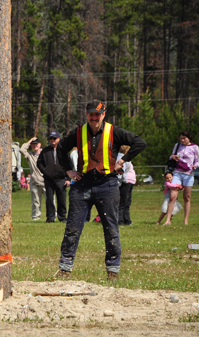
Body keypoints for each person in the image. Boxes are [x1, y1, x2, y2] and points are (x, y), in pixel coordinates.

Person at [55, 101, 146, 281]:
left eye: (97, 114)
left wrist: (124, 160)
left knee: (111, 228)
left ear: (103, 114)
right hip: (82, 184)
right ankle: (65, 269)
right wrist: (68, 170)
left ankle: (113, 271)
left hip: (107, 184)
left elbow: (139, 143)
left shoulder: (114, 132)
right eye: (91, 114)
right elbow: (60, 148)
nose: (94, 118)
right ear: (87, 115)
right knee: (72, 227)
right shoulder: (79, 132)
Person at [163, 131, 199, 226]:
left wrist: (195, 166)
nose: (182, 140)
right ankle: (168, 220)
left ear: (189, 138)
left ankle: (185, 220)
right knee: (172, 196)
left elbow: (197, 161)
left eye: (184, 138)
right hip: (177, 173)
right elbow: (171, 156)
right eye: (181, 138)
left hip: (188, 174)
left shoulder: (195, 147)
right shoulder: (177, 145)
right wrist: (173, 156)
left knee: (187, 197)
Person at [37, 131, 67, 223]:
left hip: (61, 179)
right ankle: (50, 218)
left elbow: (69, 164)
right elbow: (39, 162)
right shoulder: (45, 151)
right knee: (49, 200)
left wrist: (68, 179)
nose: (52, 140)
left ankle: (62, 217)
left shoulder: (63, 150)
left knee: (62, 199)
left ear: (58, 139)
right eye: (51, 138)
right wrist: (45, 170)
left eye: (54, 138)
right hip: (49, 179)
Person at [20, 138, 45, 221]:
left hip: (46, 181)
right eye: (33, 144)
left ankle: (53, 215)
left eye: (37, 144)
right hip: (34, 181)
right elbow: (22, 149)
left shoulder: (45, 154)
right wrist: (29, 141)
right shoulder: (30, 155)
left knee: (50, 200)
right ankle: (35, 217)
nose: (35, 145)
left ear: (40, 144)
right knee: (35, 201)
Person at [117, 145, 136, 226]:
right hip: (126, 182)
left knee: (127, 202)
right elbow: (122, 171)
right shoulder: (122, 158)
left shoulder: (127, 159)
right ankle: (121, 220)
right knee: (123, 202)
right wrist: (124, 180)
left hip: (129, 181)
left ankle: (126, 219)